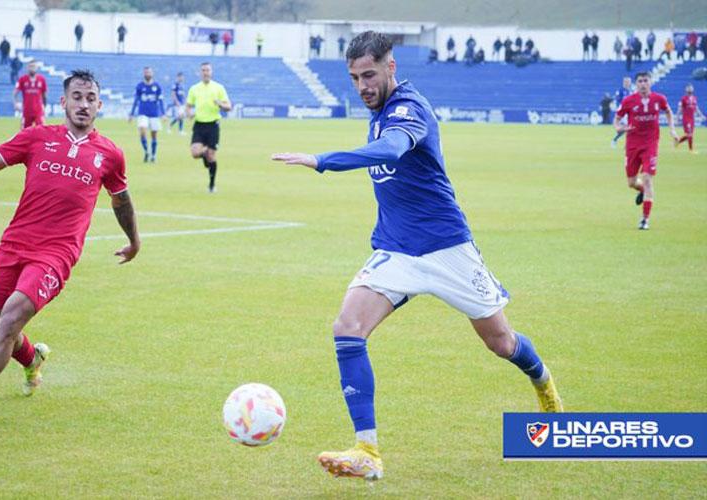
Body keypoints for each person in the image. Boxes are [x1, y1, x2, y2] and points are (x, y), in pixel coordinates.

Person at [271, 31, 563, 480]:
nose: (362, 85)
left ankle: (544, 383)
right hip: (396, 249)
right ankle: (366, 450)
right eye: (354, 77)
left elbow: (389, 150)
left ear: (392, 67)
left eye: (369, 74)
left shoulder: (410, 109)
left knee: (500, 342)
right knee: (347, 328)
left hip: (448, 249)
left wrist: (321, 159)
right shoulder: (378, 110)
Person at [0, 69, 140, 429]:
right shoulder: (36, 137)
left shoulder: (110, 154)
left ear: (99, 105)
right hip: (14, 244)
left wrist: (134, 241)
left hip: (56, 254)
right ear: (63, 102)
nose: (83, 104)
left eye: (90, 98)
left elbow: (121, 201)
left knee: (11, 319)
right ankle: (32, 358)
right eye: (77, 97)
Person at [613, 71, 678, 230]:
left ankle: (644, 219)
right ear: (636, 84)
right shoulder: (629, 101)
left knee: (648, 179)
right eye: (640, 81)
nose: (643, 84)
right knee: (632, 182)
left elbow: (669, 112)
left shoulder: (659, 99)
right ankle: (642, 191)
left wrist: (672, 130)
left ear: (650, 82)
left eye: (645, 80)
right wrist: (619, 127)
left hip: (650, 144)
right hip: (632, 145)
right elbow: (617, 119)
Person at [186, 62, 231, 193]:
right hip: (199, 124)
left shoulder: (218, 88)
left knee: (211, 157)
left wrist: (220, 104)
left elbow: (229, 107)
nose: (206, 72)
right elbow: (188, 106)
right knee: (195, 153)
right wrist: (189, 113)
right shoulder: (194, 88)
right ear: (200, 73)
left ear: (211, 72)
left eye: (208, 70)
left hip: (213, 125)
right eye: (203, 70)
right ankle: (206, 153)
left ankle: (211, 185)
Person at [128, 66, 166, 163]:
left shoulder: (157, 86)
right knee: (142, 131)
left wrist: (163, 114)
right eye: (146, 72)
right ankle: (147, 151)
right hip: (142, 113)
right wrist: (131, 114)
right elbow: (136, 100)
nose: (147, 74)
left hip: (154, 114)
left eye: (149, 72)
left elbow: (161, 101)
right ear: (144, 74)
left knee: (154, 135)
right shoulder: (140, 86)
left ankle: (153, 155)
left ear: (152, 73)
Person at [13, 60, 47, 129]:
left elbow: (44, 95)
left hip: (38, 111)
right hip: (26, 111)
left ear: (37, 68)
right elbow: (15, 93)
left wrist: (44, 106)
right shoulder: (22, 79)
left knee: (41, 130)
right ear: (27, 68)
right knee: (24, 132)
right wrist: (15, 103)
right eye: (30, 66)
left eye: (34, 66)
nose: (32, 68)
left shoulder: (42, 80)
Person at [676, 84, 704, 153]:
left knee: (690, 134)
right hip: (686, 119)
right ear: (686, 90)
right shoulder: (683, 99)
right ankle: (691, 150)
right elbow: (680, 109)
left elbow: (696, 108)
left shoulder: (694, 98)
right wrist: (677, 117)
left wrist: (701, 115)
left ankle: (678, 141)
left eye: (691, 88)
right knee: (689, 134)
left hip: (692, 119)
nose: (690, 89)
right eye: (688, 88)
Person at [611, 76, 633, 148]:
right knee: (627, 128)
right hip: (623, 112)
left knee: (629, 127)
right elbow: (618, 101)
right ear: (624, 82)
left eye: (629, 82)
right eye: (626, 82)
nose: (628, 83)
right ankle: (615, 140)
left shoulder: (630, 91)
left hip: (629, 112)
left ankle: (625, 143)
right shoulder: (621, 91)